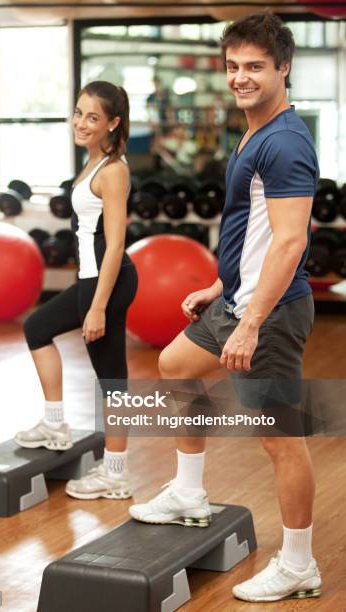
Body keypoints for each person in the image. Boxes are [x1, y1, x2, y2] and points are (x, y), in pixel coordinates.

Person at [129, 12, 322, 603]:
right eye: (234, 66)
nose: (241, 77)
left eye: (255, 67)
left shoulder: (284, 142)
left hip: (270, 311)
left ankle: (298, 565)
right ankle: (189, 493)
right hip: (238, 297)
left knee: (280, 439)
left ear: (283, 68)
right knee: (175, 365)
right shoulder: (253, 130)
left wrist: (253, 322)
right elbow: (257, 229)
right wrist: (221, 282)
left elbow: (290, 240)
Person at [14, 81, 138, 501]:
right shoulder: (93, 163)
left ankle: (116, 473)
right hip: (92, 277)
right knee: (37, 328)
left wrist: (98, 307)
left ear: (113, 123)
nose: (81, 123)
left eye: (93, 117)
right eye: (78, 112)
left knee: (111, 378)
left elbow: (116, 242)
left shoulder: (114, 170)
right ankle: (54, 424)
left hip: (108, 279)